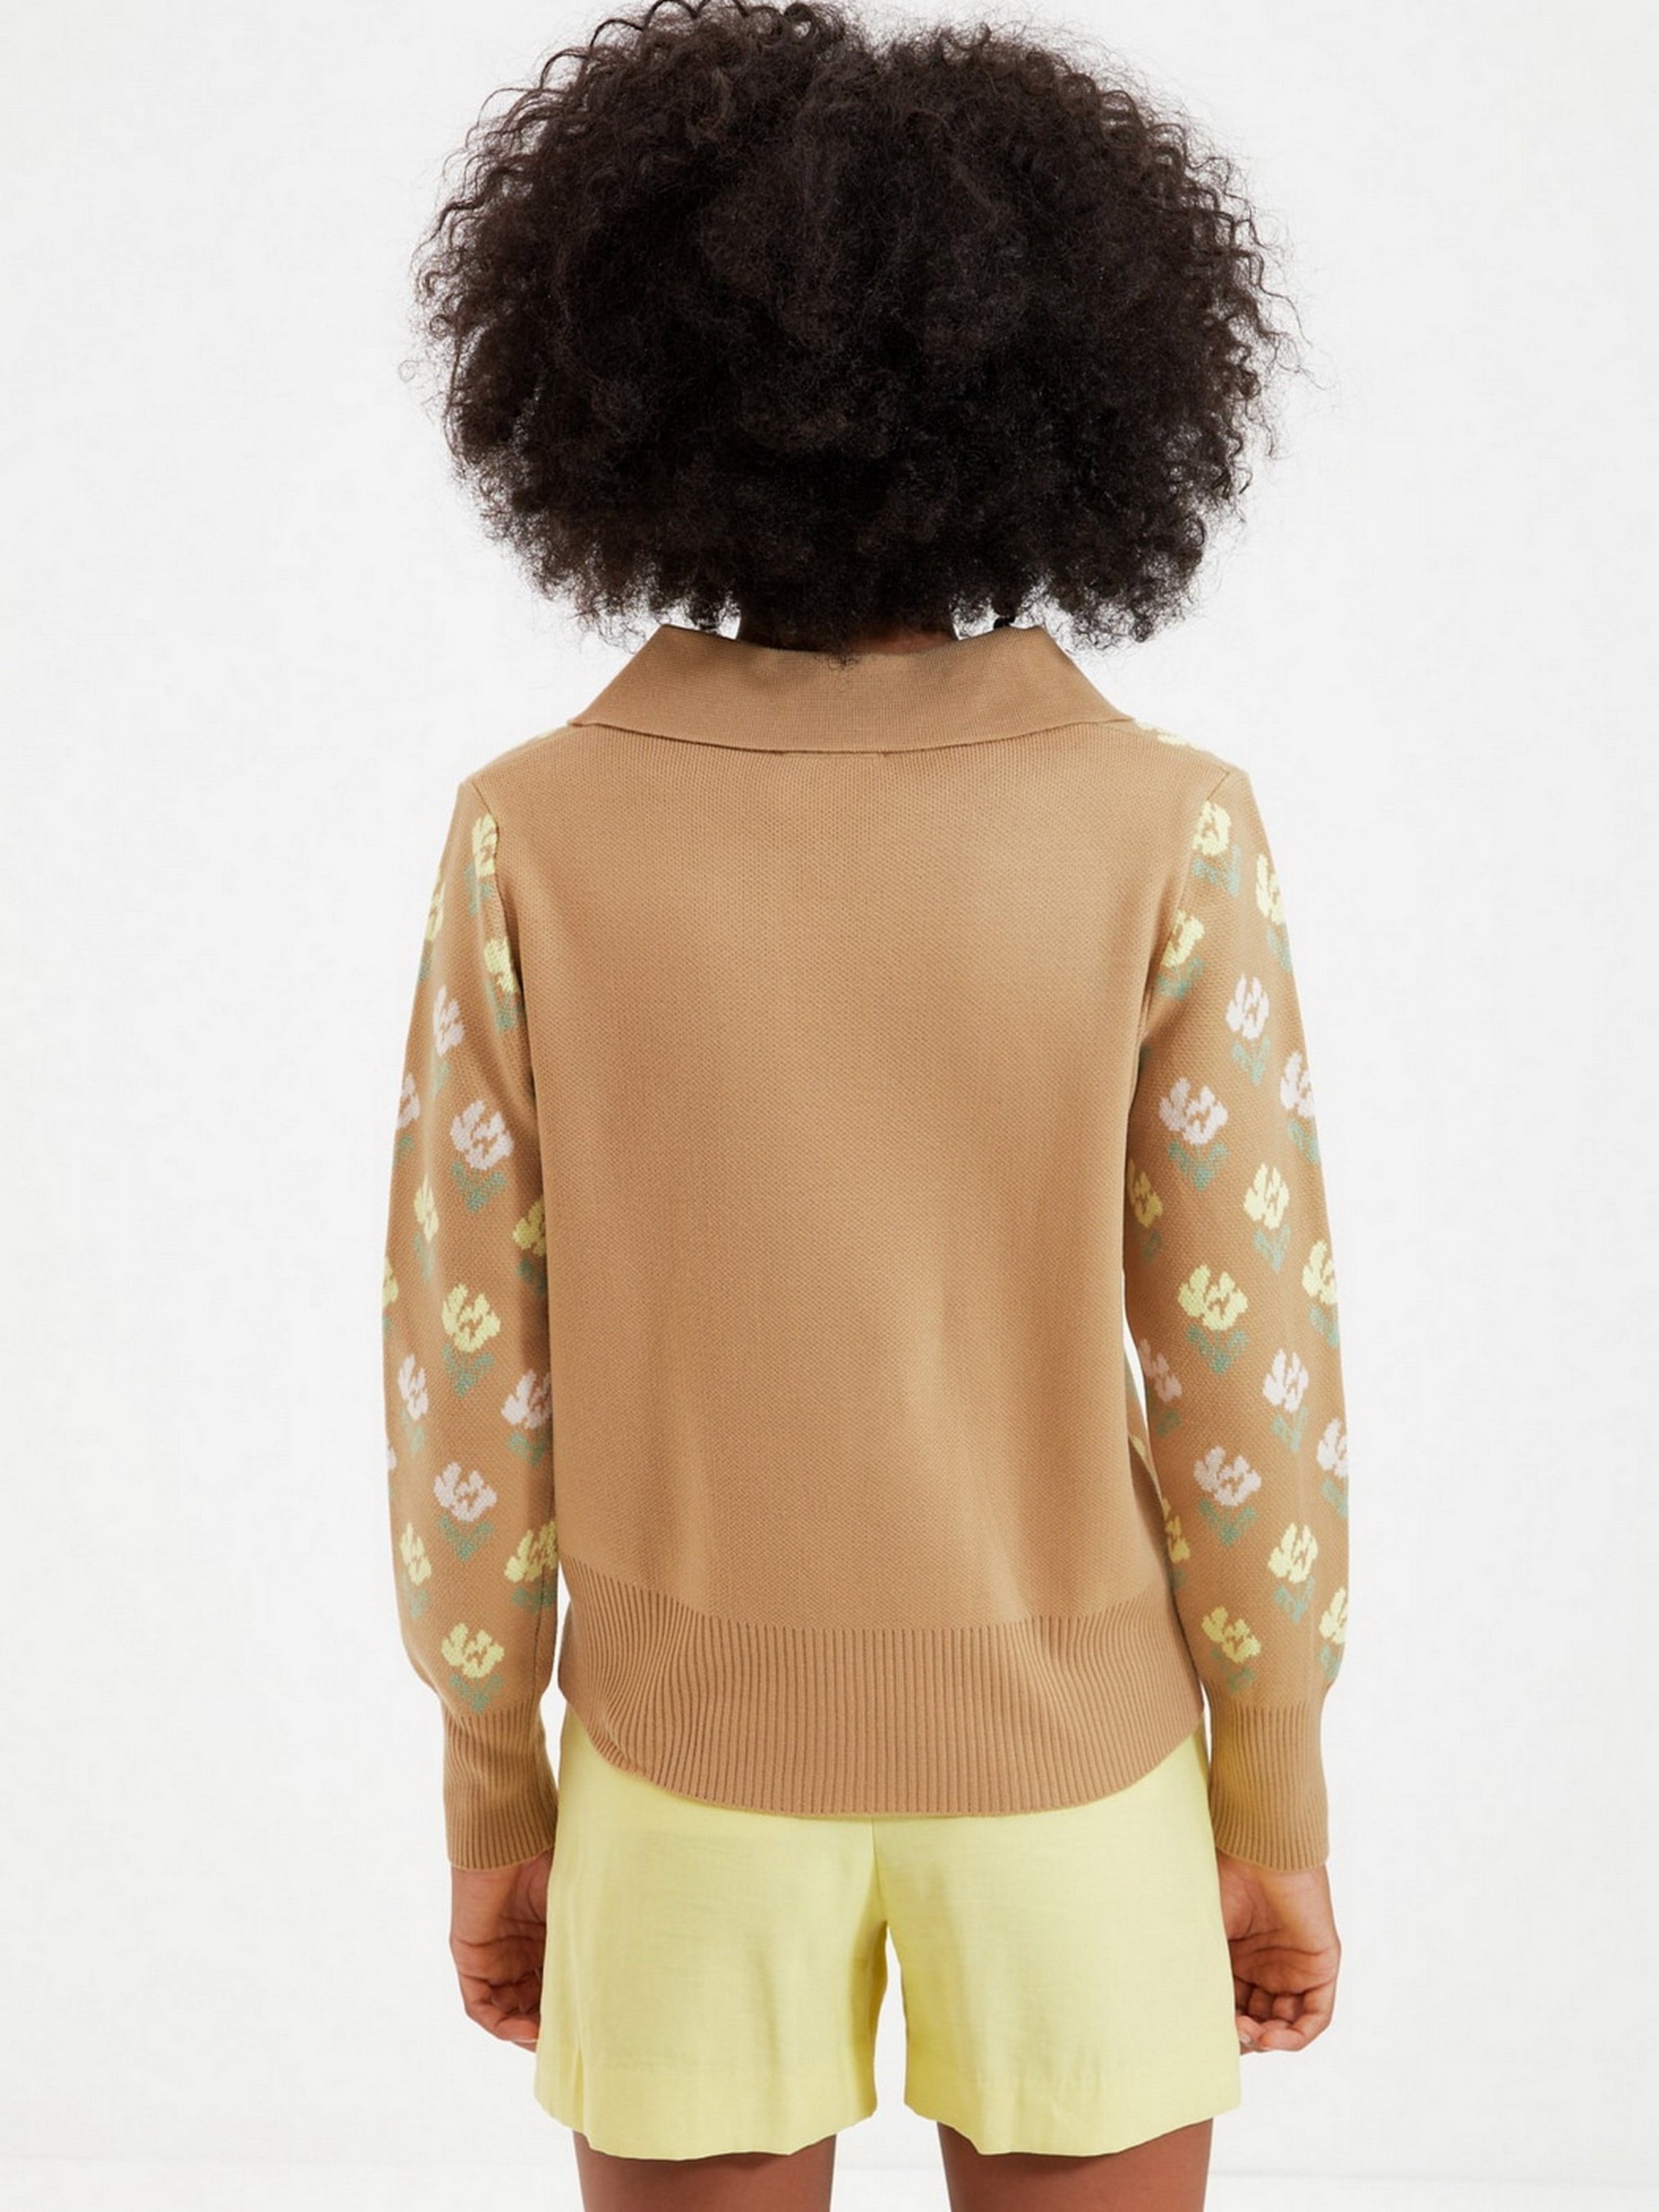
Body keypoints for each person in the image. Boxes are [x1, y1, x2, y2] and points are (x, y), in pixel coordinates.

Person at [380, 2, 1348, 2205]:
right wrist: (1270, 1789)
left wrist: (494, 1780)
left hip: (673, 1779)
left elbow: (468, 1372)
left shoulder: (535, 835)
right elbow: (1247, 1367)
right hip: (1082, 1773)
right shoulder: (1164, 828)